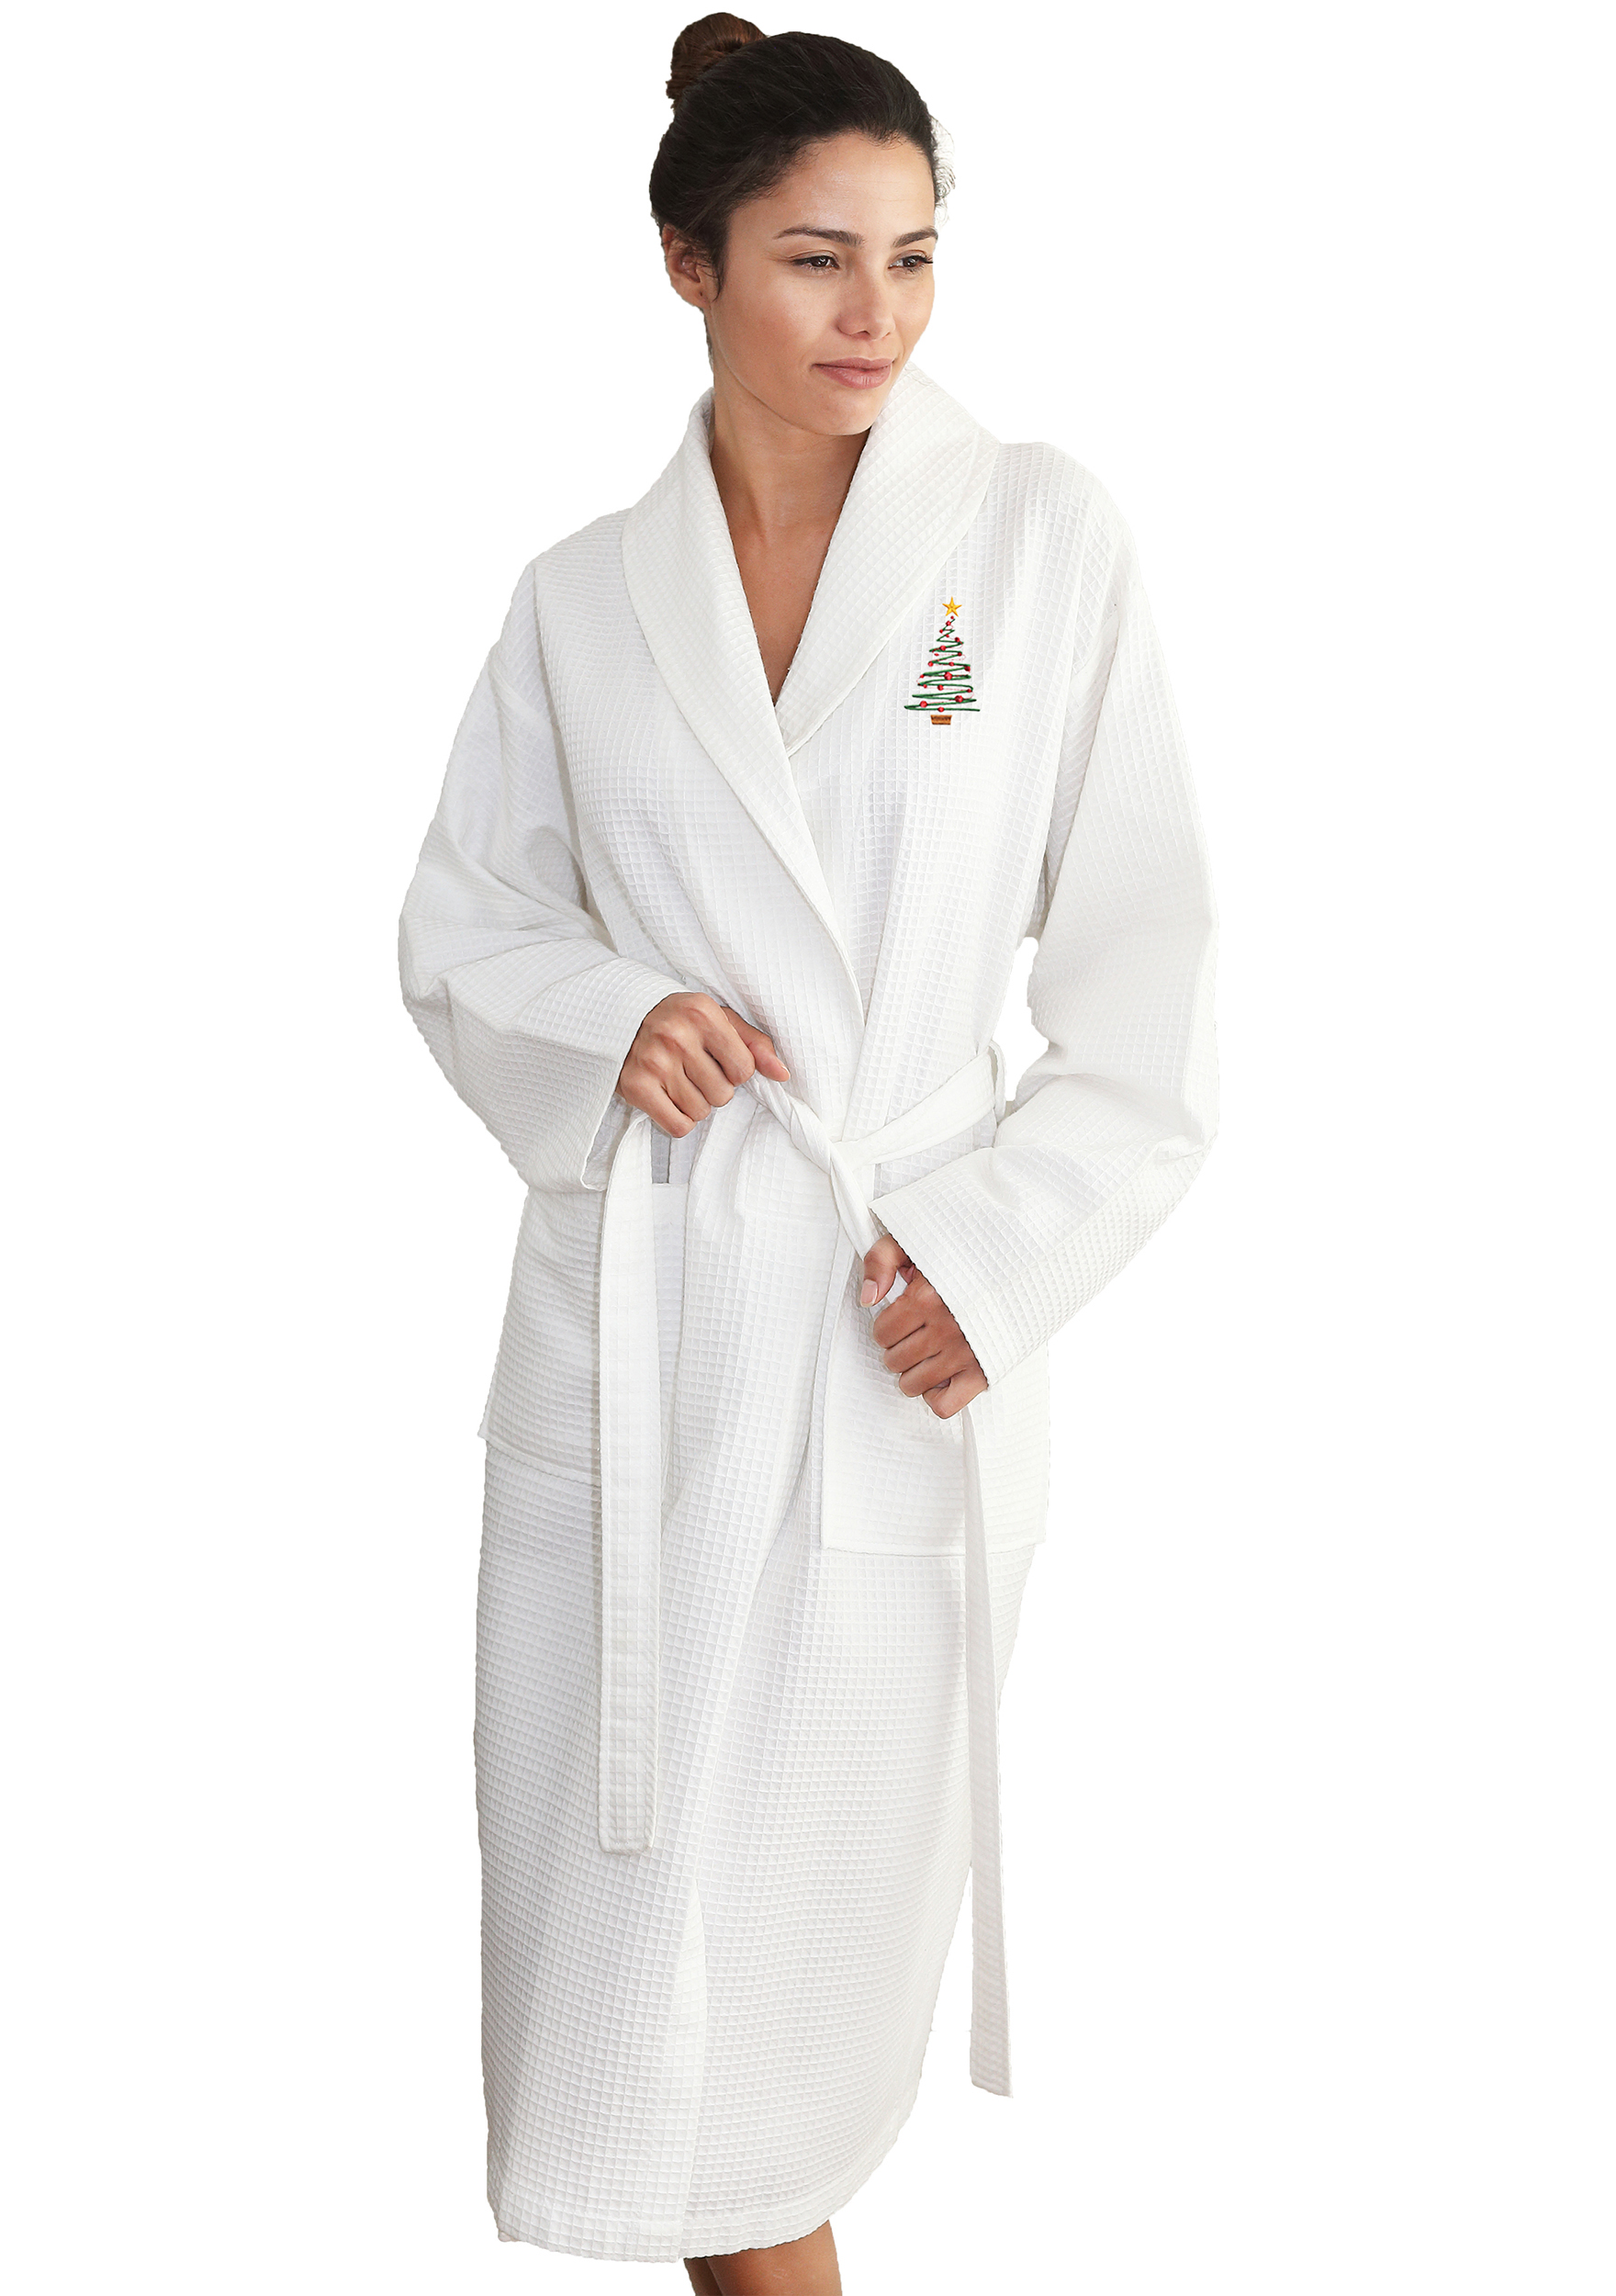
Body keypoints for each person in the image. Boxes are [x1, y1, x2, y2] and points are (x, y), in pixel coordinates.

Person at [397, 17, 1218, 2290]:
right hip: (644, 1345)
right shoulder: (582, 597)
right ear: (689, 265)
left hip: (883, 1327)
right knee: (632, 2002)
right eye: (816, 258)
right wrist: (614, 1017)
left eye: (915, 257)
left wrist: (993, 1254)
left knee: (768, 2015)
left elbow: (1148, 973)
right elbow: (465, 925)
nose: (878, 314)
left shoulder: (1033, 540)